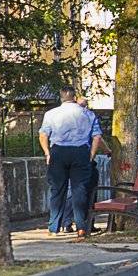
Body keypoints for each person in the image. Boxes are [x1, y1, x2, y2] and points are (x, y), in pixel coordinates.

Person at [39, 86, 102, 239]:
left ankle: (53, 228)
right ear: (74, 97)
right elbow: (97, 137)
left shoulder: (51, 114)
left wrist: (47, 153)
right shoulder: (88, 114)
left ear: (61, 98)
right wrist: (91, 155)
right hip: (81, 152)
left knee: (57, 190)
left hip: (58, 152)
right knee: (79, 190)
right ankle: (81, 228)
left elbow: (43, 134)